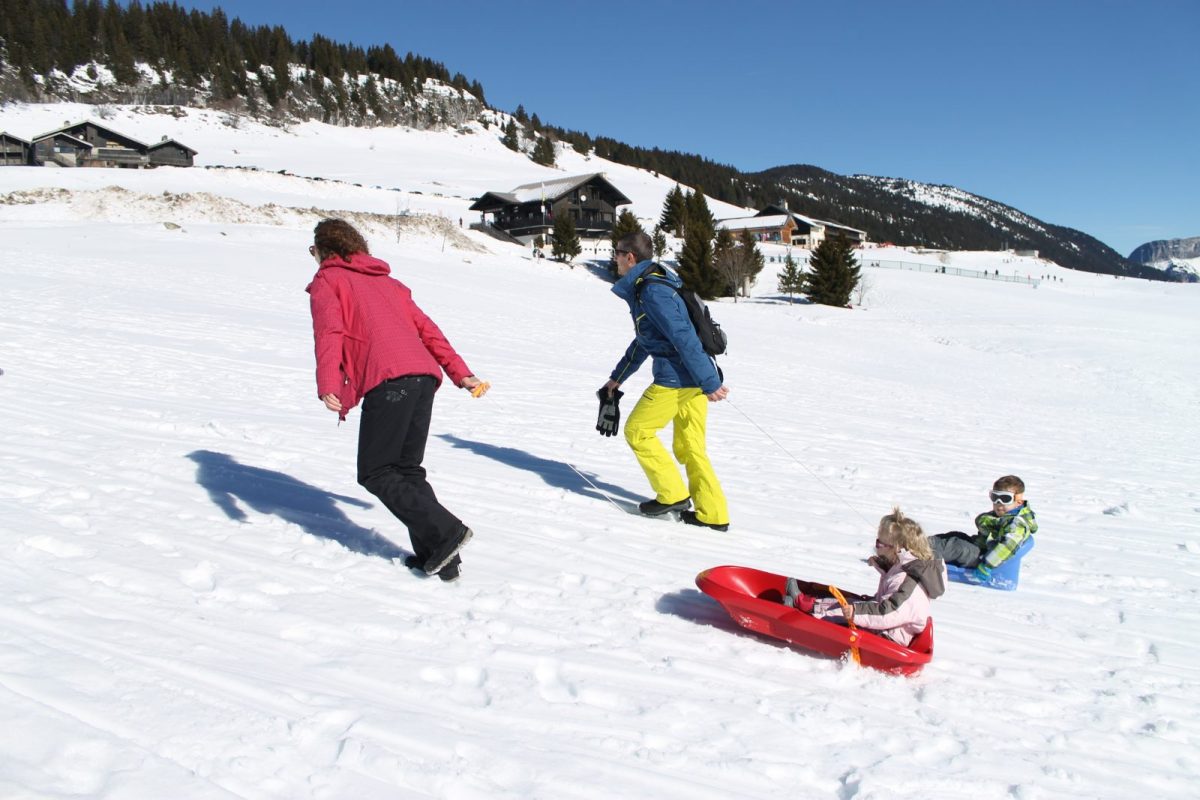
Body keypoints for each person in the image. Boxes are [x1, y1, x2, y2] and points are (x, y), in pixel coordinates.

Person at [306, 218, 486, 581]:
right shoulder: (389, 283)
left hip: (389, 381)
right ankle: (440, 556)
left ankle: (447, 532)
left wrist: (328, 382)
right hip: (422, 380)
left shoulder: (330, 279)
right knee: (406, 470)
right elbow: (428, 330)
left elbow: (329, 333)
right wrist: (461, 372)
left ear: (325, 250)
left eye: (314, 251)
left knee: (376, 471)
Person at [600, 231, 730, 531]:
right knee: (691, 446)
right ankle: (713, 514)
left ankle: (672, 495)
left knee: (638, 431)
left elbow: (683, 337)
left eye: (617, 253)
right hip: (692, 378)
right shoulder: (655, 282)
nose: (615, 258)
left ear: (630, 257)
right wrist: (616, 379)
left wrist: (709, 382)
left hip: (678, 378)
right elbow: (646, 341)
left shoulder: (652, 291)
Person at [783, 507, 946, 646]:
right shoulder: (905, 567)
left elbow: (888, 613)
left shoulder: (908, 583)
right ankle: (805, 604)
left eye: (879, 543)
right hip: (884, 625)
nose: (876, 546)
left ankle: (804, 618)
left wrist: (855, 612)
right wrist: (882, 565)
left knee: (846, 613)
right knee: (852, 603)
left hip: (886, 638)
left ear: (896, 548)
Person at [928, 475, 1038, 582]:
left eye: (1005, 498)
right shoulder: (1007, 515)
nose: (998, 503)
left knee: (957, 547)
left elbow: (1007, 547)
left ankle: (919, 552)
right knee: (956, 535)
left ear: (1019, 501)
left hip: (984, 559)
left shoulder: (1017, 524)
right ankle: (920, 543)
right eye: (995, 497)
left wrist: (987, 565)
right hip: (981, 549)